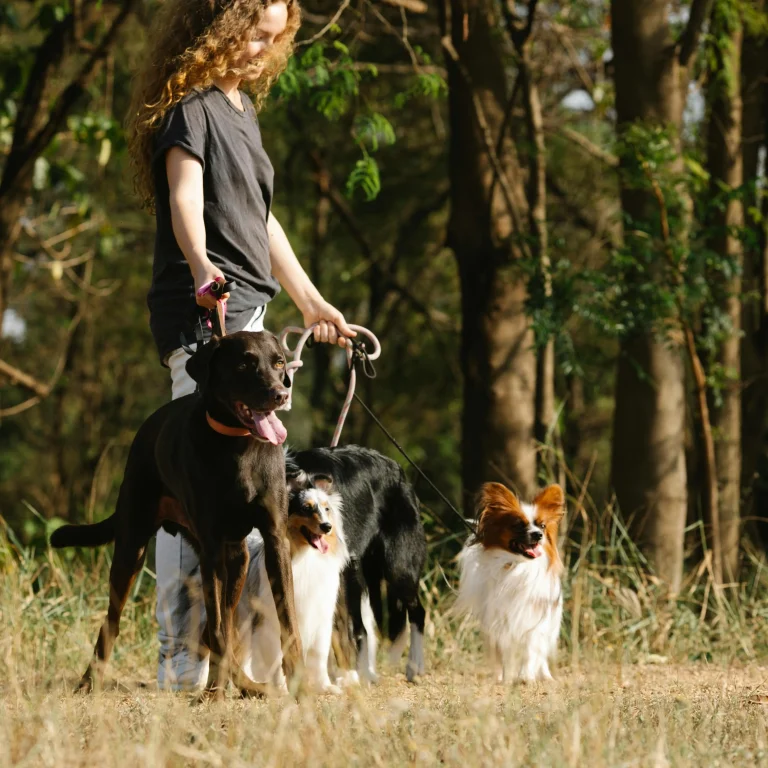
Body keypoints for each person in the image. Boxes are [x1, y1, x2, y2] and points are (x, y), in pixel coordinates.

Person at [127, 0, 354, 690]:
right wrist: (200, 265)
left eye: (275, 36)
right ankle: (180, 659)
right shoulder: (189, 110)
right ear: (218, 28)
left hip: (254, 314)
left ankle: (243, 658)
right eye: (255, 33)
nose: (265, 47)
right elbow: (184, 197)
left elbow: (262, 222)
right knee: (193, 497)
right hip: (207, 320)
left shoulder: (242, 114)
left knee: (254, 497)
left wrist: (312, 300)